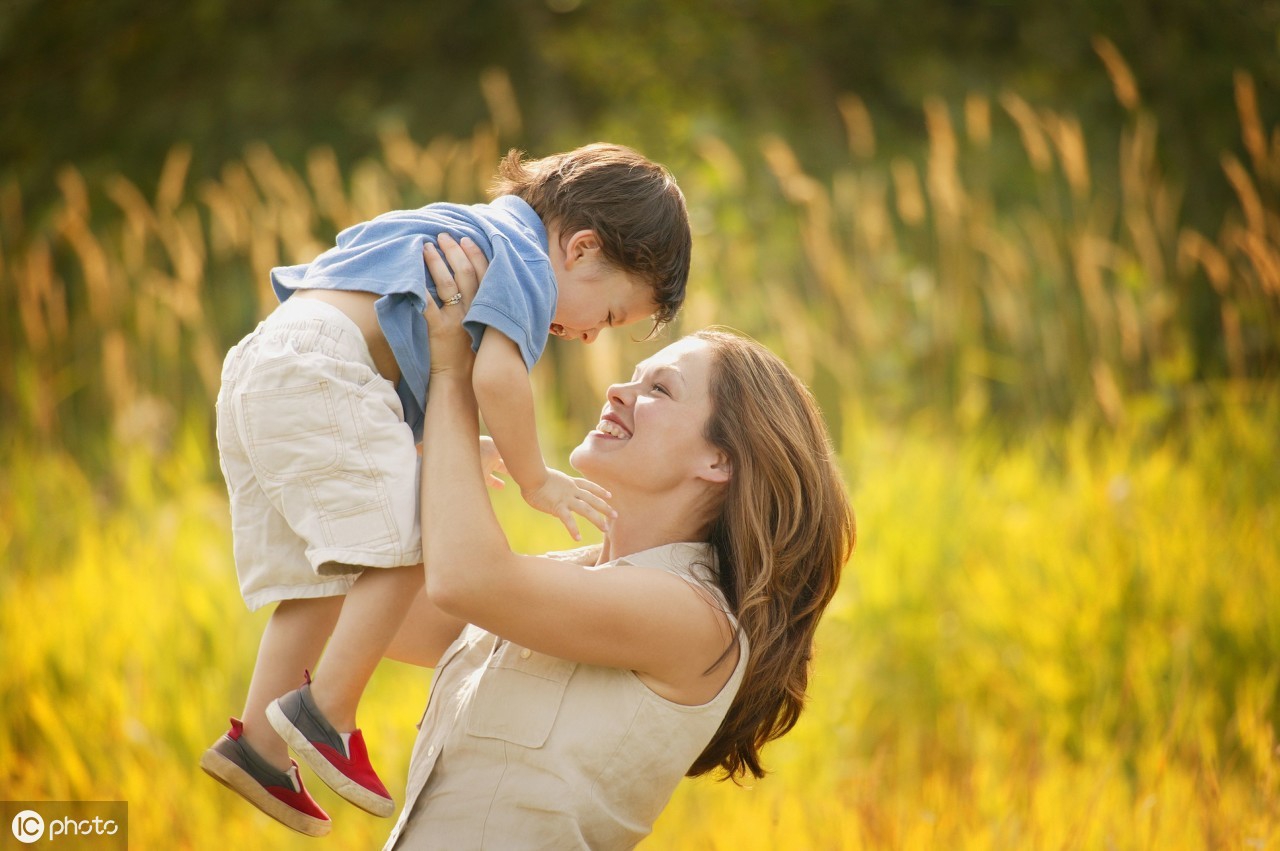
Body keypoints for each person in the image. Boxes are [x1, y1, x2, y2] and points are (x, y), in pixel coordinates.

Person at [201, 144, 693, 836]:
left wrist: (441, 440)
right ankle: (327, 711)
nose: (588, 336)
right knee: (415, 534)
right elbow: (494, 378)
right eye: (608, 315)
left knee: (320, 580)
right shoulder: (523, 264)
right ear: (580, 249)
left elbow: (380, 326)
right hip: (322, 369)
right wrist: (534, 477)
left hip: (267, 363)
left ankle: (257, 744)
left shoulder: (461, 225)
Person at [376, 237, 855, 849]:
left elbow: (466, 580)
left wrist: (450, 376)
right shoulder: (561, 580)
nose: (618, 394)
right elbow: (356, 606)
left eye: (660, 390)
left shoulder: (695, 618)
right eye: (632, 379)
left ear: (719, 460)